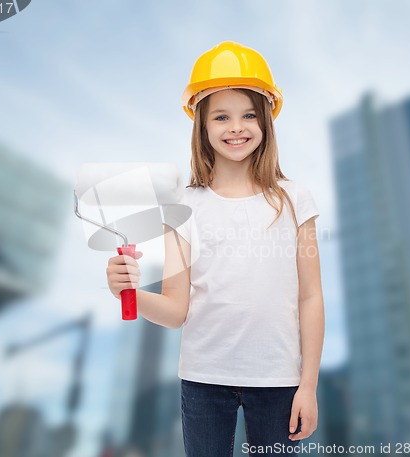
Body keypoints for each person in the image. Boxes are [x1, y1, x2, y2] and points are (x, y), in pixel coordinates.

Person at [106, 41, 325, 457]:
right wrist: (128, 292)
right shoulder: (183, 207)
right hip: (204, 381)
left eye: (248, 115)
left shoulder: (296, 200)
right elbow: (176, 310)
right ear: (202, 126)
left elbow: (311, 296)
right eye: (221, 116)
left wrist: (308, 385)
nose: (236, 127)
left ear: (266, 121)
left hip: (280, 380)